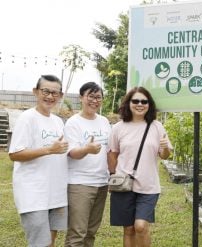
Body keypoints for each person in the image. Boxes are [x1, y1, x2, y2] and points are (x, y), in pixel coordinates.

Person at [8, 75, 69, 247]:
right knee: (39, 244)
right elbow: (15, 154)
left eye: (55, 93)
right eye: (46, 91)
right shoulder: (27, 118)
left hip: (56, 193)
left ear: (61, 96)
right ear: (35, 92)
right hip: (34, 194)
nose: (50, 96)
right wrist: (49, 150)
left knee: (50, 241)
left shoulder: (58, 122)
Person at [108, 86, 172, 247]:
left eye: (144, 101)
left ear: (149, 104)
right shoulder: (118, 128)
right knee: (128, 229)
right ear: (128, 103)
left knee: (140, 226)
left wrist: (164, 147)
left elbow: (164, 155)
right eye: (135, 100)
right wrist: (113, 175)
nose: (140, 104)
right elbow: (112, 154)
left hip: (148, 186)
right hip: (124, 184)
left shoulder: (156, 126)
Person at [64, 82, 111, 246]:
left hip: (101, 183)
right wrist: (87, 149)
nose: (94, 100)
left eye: (98, 97)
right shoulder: (73, 123)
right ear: (81, 98)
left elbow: (110, 150)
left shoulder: (104, 121)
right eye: (90, 96)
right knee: (77, 233)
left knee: (91, 232)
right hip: (80, 184)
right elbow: (72, 153)